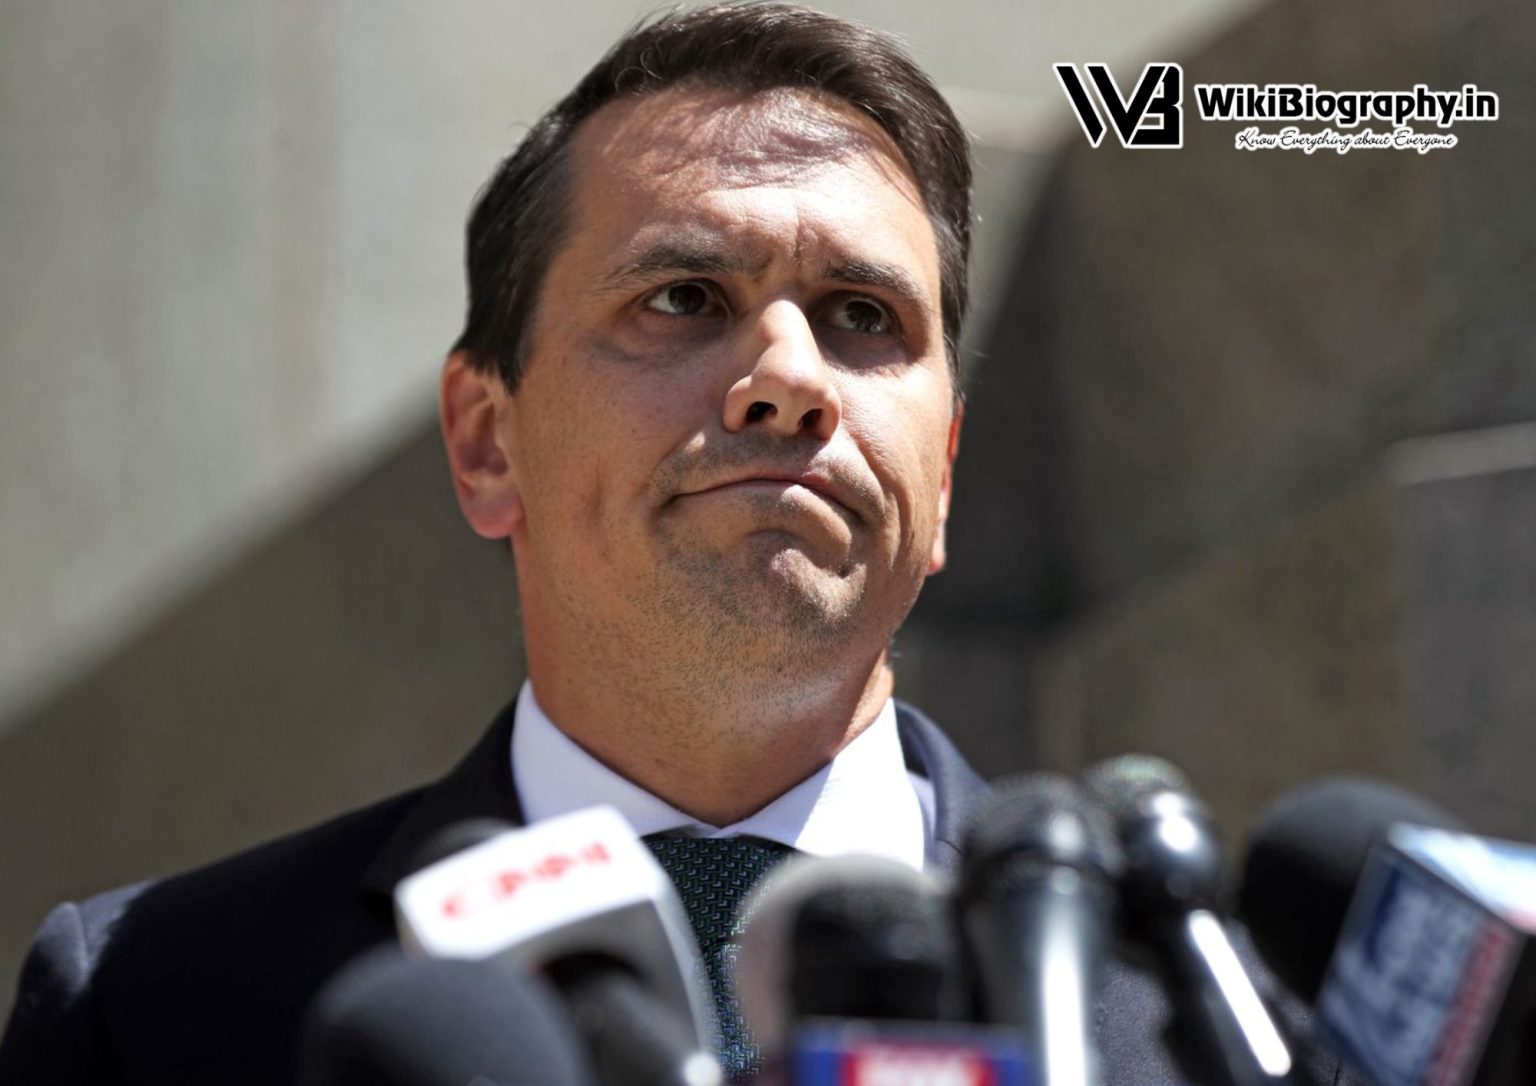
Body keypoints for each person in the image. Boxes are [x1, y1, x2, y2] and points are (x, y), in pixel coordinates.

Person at [0, 6, 1329, 1085]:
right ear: (487, 441)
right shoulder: (152, 1004)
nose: (789, 379)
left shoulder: (1225, 1019)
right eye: (685, 297)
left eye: (862, 316)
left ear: (943, 476)